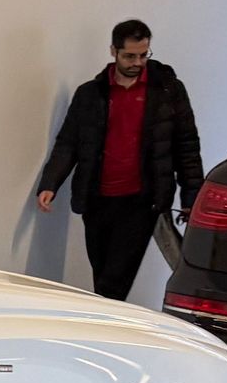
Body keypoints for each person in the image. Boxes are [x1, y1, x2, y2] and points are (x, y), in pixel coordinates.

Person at [36, 19, 202, 302]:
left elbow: (186, 146)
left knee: (114, 281)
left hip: (141, 200)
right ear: (113, 51)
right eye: (130, 56)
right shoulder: (90, 94)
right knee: (102, 274)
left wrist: (191, 197)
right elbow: (69, 143)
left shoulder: (168, 92)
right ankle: (106, 324)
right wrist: (50, 183)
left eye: (143, 55)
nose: (137, 62)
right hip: (97, 199)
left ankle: (103, 328)